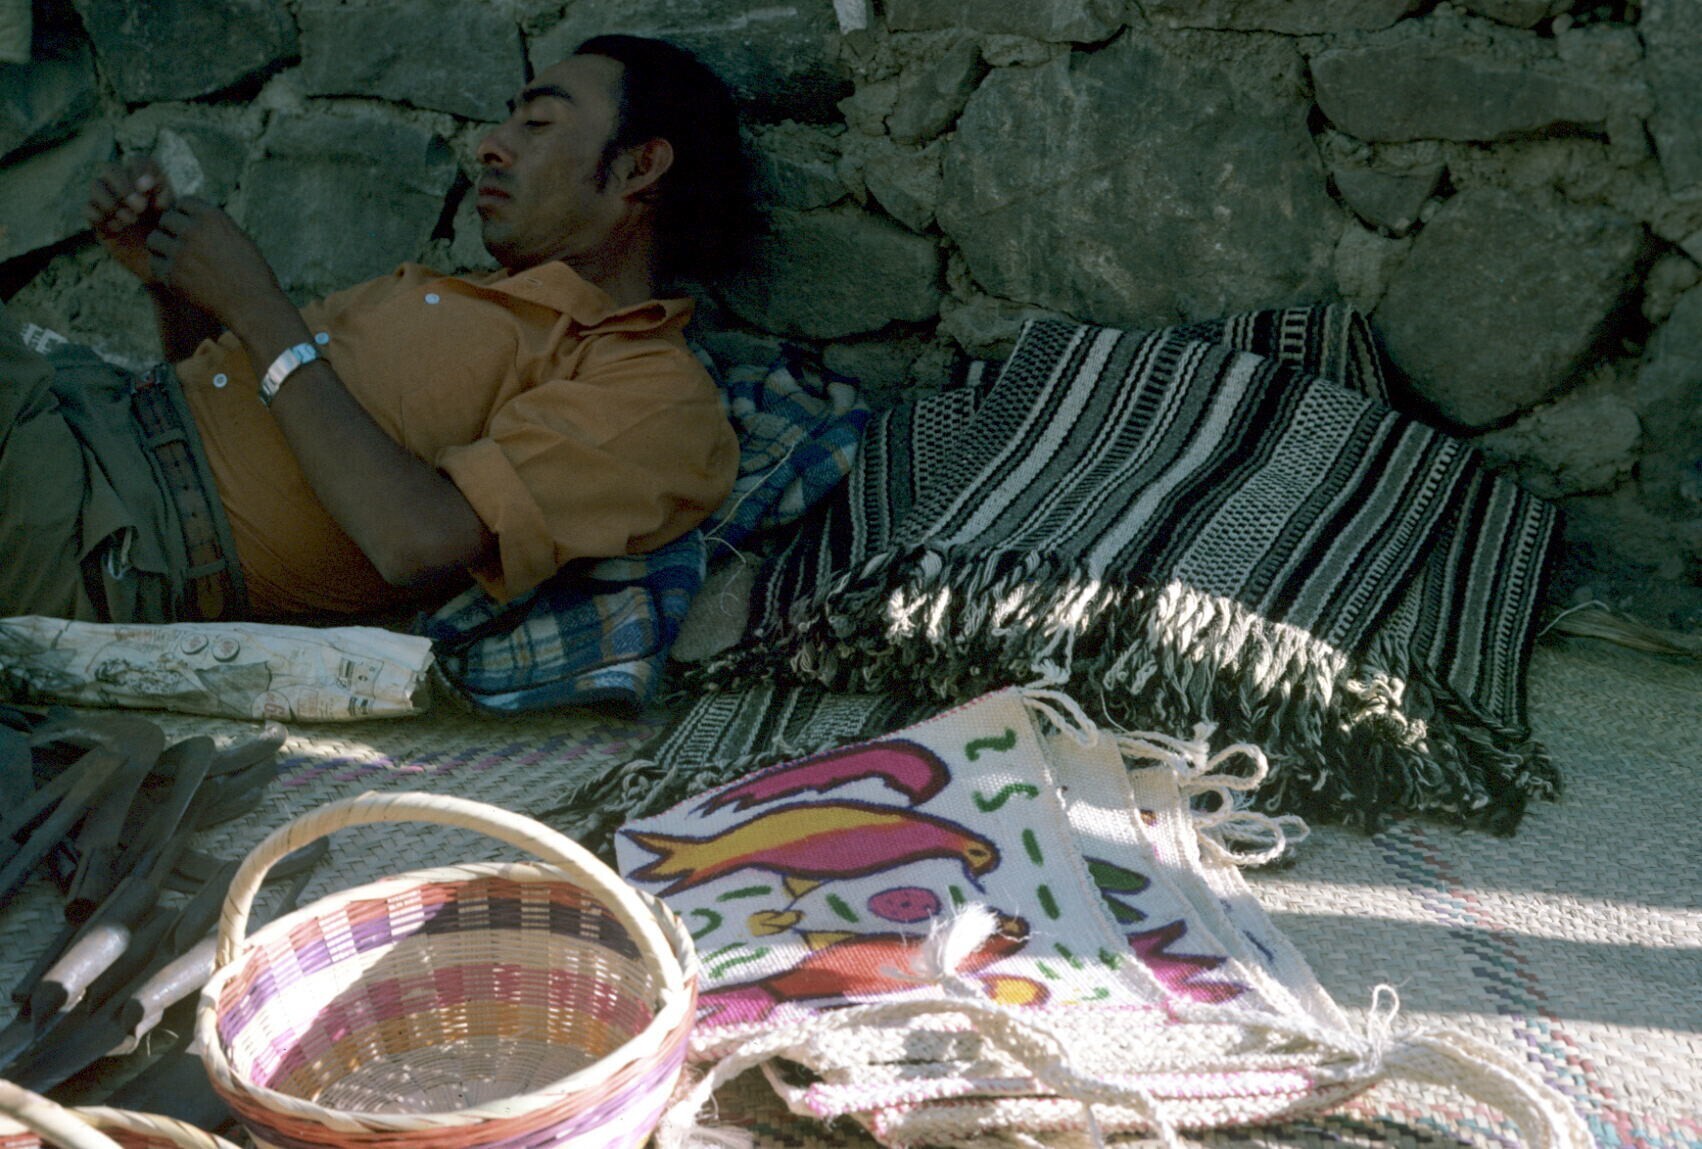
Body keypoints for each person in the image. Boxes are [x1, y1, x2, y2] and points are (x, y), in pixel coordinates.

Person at [0, 34, 747, 624]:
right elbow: (236, 416)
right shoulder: (470, 294)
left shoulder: (648, 388)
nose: (491, 144)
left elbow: (415, 541)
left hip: (107, 531)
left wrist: (256, 306)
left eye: (538, 123)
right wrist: (175, 288)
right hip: (85, 421)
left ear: (639, 168)